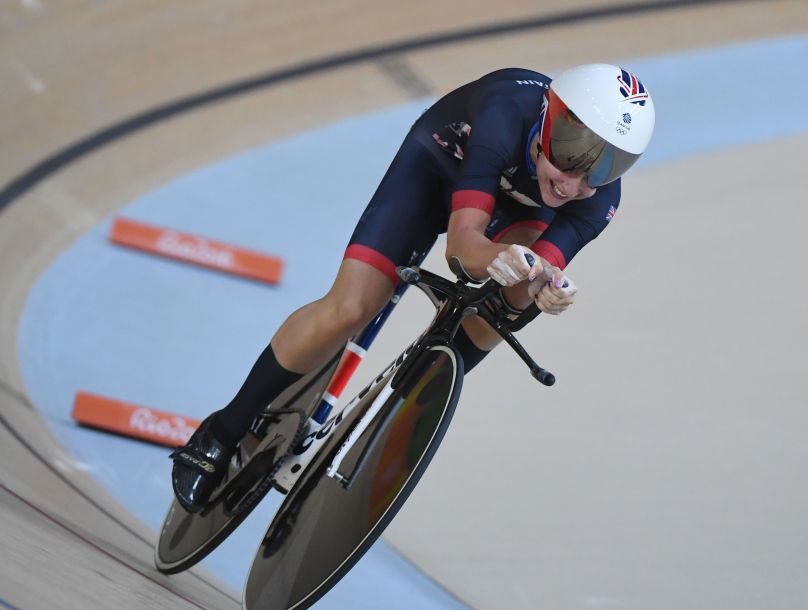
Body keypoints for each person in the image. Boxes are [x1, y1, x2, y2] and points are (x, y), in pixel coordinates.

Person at [170, 63, 655, 513]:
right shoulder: (506, 112)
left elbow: (537, 274)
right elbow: (463, 246)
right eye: (572, 155)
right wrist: (497, 258)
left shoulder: (598, 200)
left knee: (504, 311)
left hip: (520, 214)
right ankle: (224, 428)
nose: (576, 182)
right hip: (439, 165)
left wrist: (545, 285)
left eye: (606, 166)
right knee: (351, 307)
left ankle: (408, 404)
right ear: (548, 119)